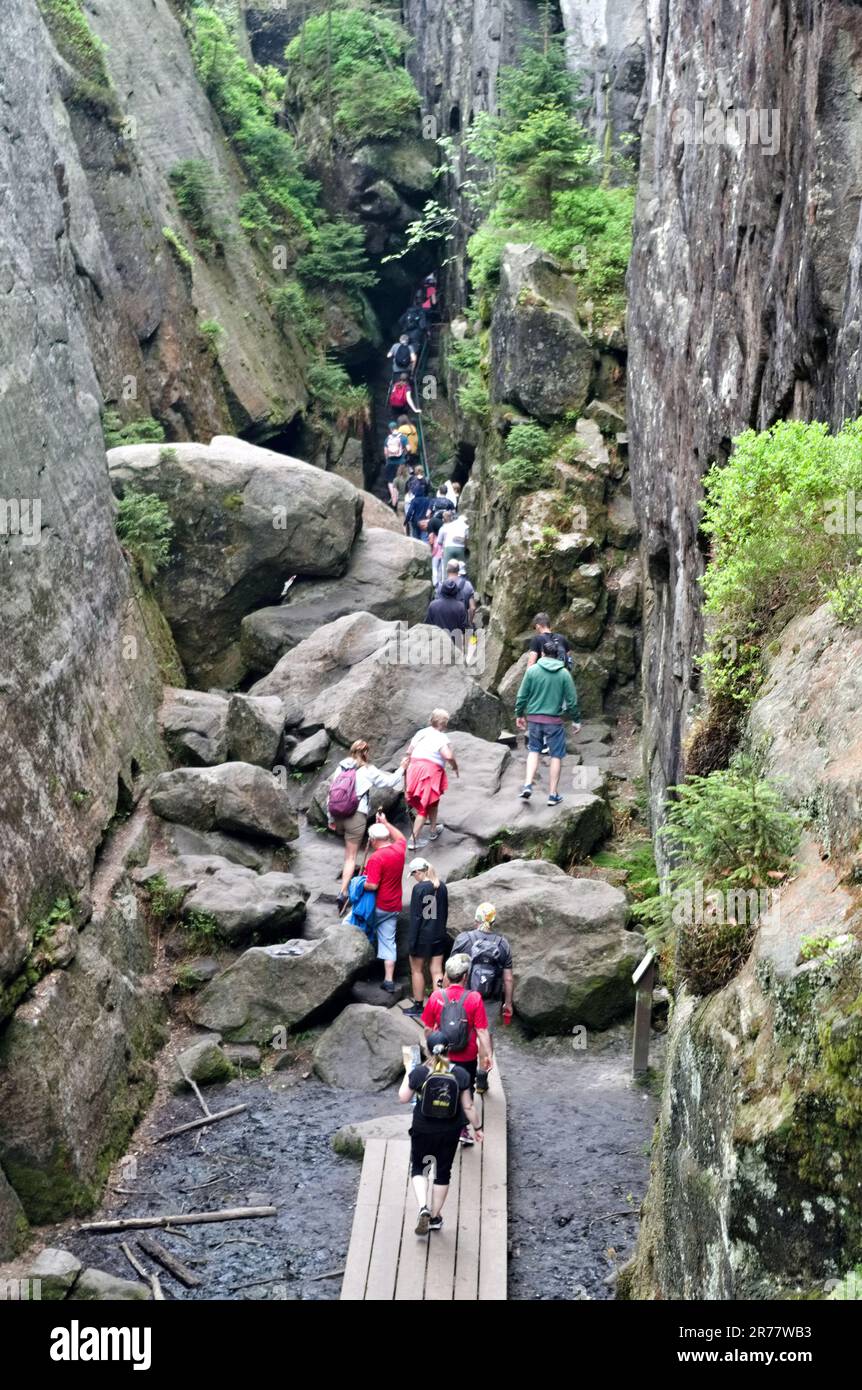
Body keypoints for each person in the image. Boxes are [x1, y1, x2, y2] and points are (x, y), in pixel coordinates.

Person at [399, 1031, 483, 1235]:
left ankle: (422, 1207)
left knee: (420, 1167)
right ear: (449, 1050)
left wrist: (408, 1071)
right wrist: (478, 1128)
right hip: (449, 1130)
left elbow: (403, 1097)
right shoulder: (461, 1074)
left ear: (427, 1050)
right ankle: (435, 1217)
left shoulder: (419, 1072)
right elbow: (469, 1106)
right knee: (442, 1172)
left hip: (422, 1128)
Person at [327, 740, 408, 912]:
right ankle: (343, 893)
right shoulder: (368, 770)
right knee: (351, 857)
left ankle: (345, 886)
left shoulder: (340, 767)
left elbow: (331, 793)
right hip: (356, 815)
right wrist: (402, 768)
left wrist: (330, 818)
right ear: (366, 753)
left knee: (347, 853)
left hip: (338, 814)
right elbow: (391, 781)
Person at [421, 953, 492, 1145]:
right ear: (465, 976)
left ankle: (438, 1124)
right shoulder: (474, 998)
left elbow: (427, 1028)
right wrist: (488, 1056)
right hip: (467, 1055)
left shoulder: (436, 996)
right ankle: (462, 1129)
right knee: (464, 1090)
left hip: (442, 1053)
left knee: (442, 1086)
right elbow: (482, 1030)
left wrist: (430, 1051)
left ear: (447, 975)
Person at [514, 637, 581, 806]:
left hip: (534, 719)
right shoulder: (564, 673)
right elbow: (572, 701)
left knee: (534, 751)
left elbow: (522, 695)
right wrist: (576, 720)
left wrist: (519, 714)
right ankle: (552, 794)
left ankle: (528, 784)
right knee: (556, 755)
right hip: (554, 721)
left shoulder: (532, 671)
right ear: (557, 655)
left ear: (542, 653)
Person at [363, 812, 408, 993]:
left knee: (351, 924)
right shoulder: (399, 849)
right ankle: (388, 980)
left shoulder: (376, 858)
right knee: (388, 941)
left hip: (378, 906)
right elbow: (401, 837)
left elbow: (372, 885)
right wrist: (386, 822)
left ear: (373, 840)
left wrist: (360, 884)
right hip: (393, 905)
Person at [451, 901, 515, 1027]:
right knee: (485, 1035)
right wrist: (508, 1003)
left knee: (463, 1033)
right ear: (493, 921)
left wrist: (445, 996)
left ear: (476, 919)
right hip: (491, 999)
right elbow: (508, 979)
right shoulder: (503, 944)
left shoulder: (463, 939)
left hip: (465, 997)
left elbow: (451, 971)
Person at [404, 708, 459, 850]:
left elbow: (409, 751)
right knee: (425, 806)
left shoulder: (421, 733)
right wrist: (454, 766)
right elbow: (448, 755)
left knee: (433, 801)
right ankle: (413, 840)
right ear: (444, 723)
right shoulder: (441, 737)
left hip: (415, 768)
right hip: (429, 771)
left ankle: (433, 829)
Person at [404, 858, 448, 1018]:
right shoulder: (442, 887)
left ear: (418, 872)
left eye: (413, 874)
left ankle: (418, 1005)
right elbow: (445, 913)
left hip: (422, 936)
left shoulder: (419, 889)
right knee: (437, 971)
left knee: (416, 970)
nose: (414, 877)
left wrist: (412, 942)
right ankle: (440, 1007)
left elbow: (416, 917)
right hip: (439, 934)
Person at [383, 420, 408, 509]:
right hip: (401, 463)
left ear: (390, 429)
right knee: (401, 479)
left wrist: (387, 461)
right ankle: (402, 499)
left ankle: (394, 499)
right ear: (397, 427)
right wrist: (404, 454)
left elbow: (386, 452)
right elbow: (408, 449)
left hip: (390, 462)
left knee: (390, 481)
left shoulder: (387, 439)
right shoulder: (403, 437)